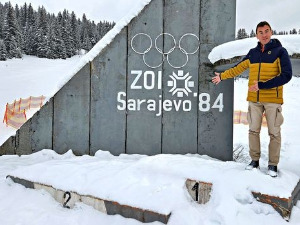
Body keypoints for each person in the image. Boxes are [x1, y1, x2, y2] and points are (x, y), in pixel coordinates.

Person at [212, 21, 292, 177]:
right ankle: (254, 161)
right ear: (256, 35)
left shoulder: (280, 52)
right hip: (254, 100)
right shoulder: (253, 53)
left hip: (272, 100)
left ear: (271, 32)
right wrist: (222, 76)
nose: (264, 35)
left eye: (267, 31)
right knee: (253, 130)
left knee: (274, 133)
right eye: (261, 32)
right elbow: (238, 68)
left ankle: (272, 165)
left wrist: (262, 85)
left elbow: (286, 75)